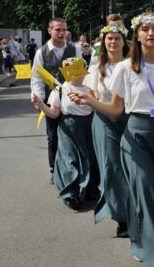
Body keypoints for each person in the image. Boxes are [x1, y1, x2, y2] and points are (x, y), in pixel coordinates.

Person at [71, 13, 154, 267]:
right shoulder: (127, 68)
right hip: (136, 136)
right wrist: (91, 102)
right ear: (137, 35)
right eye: (145, 29)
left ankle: (147, 244)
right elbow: (116, 110)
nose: (151, 33)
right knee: (146, 195)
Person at [84, 22, 131, 238]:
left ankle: (137, 208)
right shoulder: (95, 69)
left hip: (129, 120)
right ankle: (122, 217)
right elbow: (92, 95)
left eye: (117, 38)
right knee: (112, 167)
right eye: (109, 38)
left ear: (124, 41)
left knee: (132, 167)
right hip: (104, 120)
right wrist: (84, 100)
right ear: (104, 42)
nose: (113, 42)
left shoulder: (133, 66)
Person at [33, 58, 96, 211]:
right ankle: (70, 195)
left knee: (89, 160)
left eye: (77, 70)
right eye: (70, 70)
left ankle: (86, 189)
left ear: (84, 71)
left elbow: (97, 109)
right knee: (69, 161)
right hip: (68, 128)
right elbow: (54, 114)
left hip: (88, 127)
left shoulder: (90, 90)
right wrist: (41, 104)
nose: (75, 74)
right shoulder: (59, 90)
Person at [30, 18, 79, 181]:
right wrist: (38, 97)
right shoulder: (41, 52)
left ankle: (74, 168)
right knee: (53, 136)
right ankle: (54, 170)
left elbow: (81, 74)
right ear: (49, 30)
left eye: (64, 30)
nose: (62, 33)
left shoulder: (75, 48)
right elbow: (36, 77)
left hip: (71, 99)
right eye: (58, 30)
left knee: (73, 134)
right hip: (52, 99)